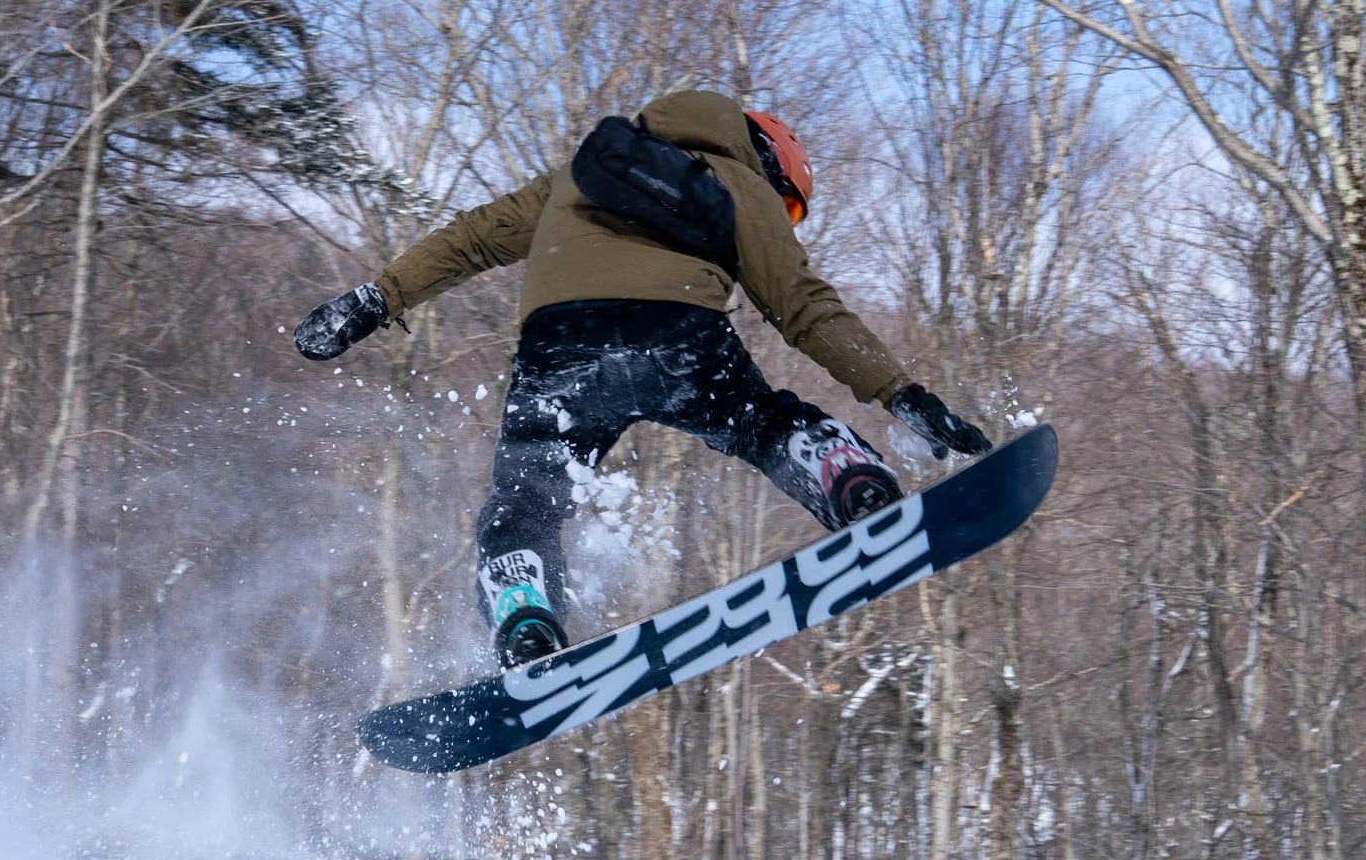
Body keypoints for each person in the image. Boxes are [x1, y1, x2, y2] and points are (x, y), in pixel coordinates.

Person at [293, 89, 992, 670]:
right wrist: (904, 394)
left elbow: (476, 236)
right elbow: (803, 305)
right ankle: (836, 467)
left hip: (559, 350)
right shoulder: (741, 183)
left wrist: (374, 299)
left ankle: (525, 611)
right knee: (758, 418)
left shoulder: (586, 170)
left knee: (525, 500)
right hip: (676, 336)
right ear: (770, 163)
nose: (785, 222)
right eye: (791, 210)